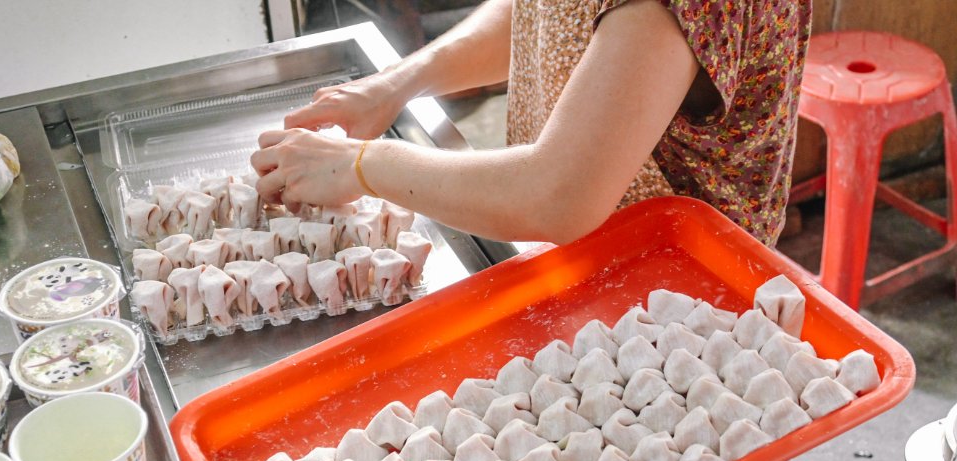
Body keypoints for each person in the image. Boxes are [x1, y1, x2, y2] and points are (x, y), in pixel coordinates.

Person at [251, 0, 812, 248]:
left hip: (681, 306)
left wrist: (362, 166)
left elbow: (559, 194)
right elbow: (545, 12)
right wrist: (397, 84)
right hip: (579, 264)